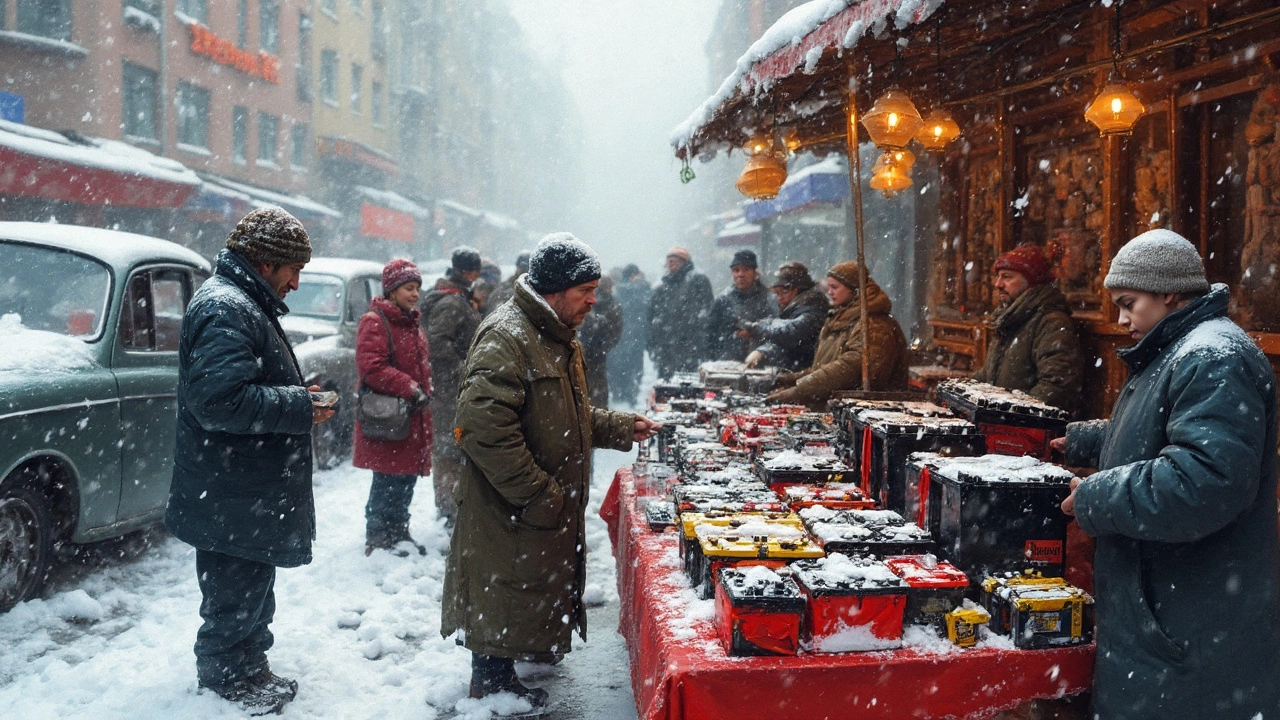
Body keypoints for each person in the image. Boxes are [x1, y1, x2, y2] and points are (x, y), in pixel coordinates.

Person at [1056, 229, 1280, 720]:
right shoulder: (1185, 346)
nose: (1120, 319)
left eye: (1129, 303)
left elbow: (1206, 482)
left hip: (1186, 623)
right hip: (1168, 613)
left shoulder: (1210, 356)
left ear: (1169, 294)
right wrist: (1080, 441)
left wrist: (1096, 497)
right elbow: (1161, 430)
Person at [441, 233, 660, 711]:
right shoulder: (509, 335)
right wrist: (538, 494)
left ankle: (509, 663)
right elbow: (481, 427)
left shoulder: (552, 334)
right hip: (510, 504)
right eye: (586, 290)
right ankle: (493, 682)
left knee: (521, 582)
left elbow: (565, 413)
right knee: (504, 583)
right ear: (557, 290)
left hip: (529, 502)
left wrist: (621, 425)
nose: (593, 300)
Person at [165, 207, 334, 715]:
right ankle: (225, 682)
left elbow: (237, 390)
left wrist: (291, 397)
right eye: (293, 270)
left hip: (242, 491)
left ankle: (250, 668)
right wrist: (298, 406)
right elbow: (218, 401)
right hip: (232, 492)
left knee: (252, 589)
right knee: (234, 597)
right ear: (265, 263)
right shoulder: (228, 308)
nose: (297, 283)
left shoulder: (241, 303)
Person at [353, 259, 433, 556]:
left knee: (405, 477)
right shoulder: (375, 321)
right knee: (387, 477)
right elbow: (371, 367)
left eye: (417, 288)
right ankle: (377, 536)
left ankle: (398, 531)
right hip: (391, 416)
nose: (415, 294)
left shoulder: (408, 319)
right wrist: (410, 387)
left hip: (409, 416)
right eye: (409, 288)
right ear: (392, 290)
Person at [767, 261, 909, 408]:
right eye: (829, 287)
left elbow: (852, 368)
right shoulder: (840, 318)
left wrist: (800, 389)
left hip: (867, 411)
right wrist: (792, 379)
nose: (830, 292)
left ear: (854, 289)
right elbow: (826, 366)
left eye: (834, 287)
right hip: (838, 407)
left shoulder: (874, 325)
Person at [973, 243, 1083, 415]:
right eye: (998, 277)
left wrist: (1012, 415)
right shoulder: (1010, 318)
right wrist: (961, 388)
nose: (998, 284)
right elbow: (991, 373)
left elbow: (1057, 385)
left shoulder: (1050, 322)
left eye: (1007, 277)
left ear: (1030, 282)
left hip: (1025, 430)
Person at [419, 246, 483, 527]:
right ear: (469, 272)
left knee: (454, 446)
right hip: (449, 392)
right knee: (449, 448)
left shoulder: (457, 298)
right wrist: (463, 369)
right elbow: (437, 343)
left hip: (452, 390)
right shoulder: (452, 302)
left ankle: (454, 506)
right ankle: (450, 510)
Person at [743, 261, 827, 371]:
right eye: (777, 293)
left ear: (797, 290)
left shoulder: (813, 306)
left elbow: (792, 333)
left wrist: (757, 328)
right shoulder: (796, 308)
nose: (780, 298)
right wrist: (763, 351)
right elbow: (782, 340)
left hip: (804, 372)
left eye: (784, 292)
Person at [647, 247, 713, 378]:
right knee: (666, 388)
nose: (671, 263)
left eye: (675, 260)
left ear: (685, 262)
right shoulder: (661, 288)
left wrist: (699, 334)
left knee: (689, 385)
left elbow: (708, 309)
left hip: (690, 347)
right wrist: (653, 343)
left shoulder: (697, 281)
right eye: (669, 260)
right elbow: (652, 317)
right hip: (666, 349)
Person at [706, 249, 775, 361]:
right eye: (736, 270)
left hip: (760, 361)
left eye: (746, 270)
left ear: (755, 272)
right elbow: (711, 333)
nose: (740, 275)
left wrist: (754, 334)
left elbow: (775, 331)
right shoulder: (723, 299)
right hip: (727, 362)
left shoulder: (769, 299)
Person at [578, 274, 623, 407]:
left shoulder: (585, 301)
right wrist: (602, 346)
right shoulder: (613, 304)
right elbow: (616, 332)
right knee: (598, 394)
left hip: (583, 352)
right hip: (597, 356)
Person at [609, 264, 650, 406]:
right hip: (637, 334)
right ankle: (631, 395)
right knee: (635, 367)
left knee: (618, 367)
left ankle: (620, 394)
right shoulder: (643, 289)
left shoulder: (617, 291)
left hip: (620, 335)